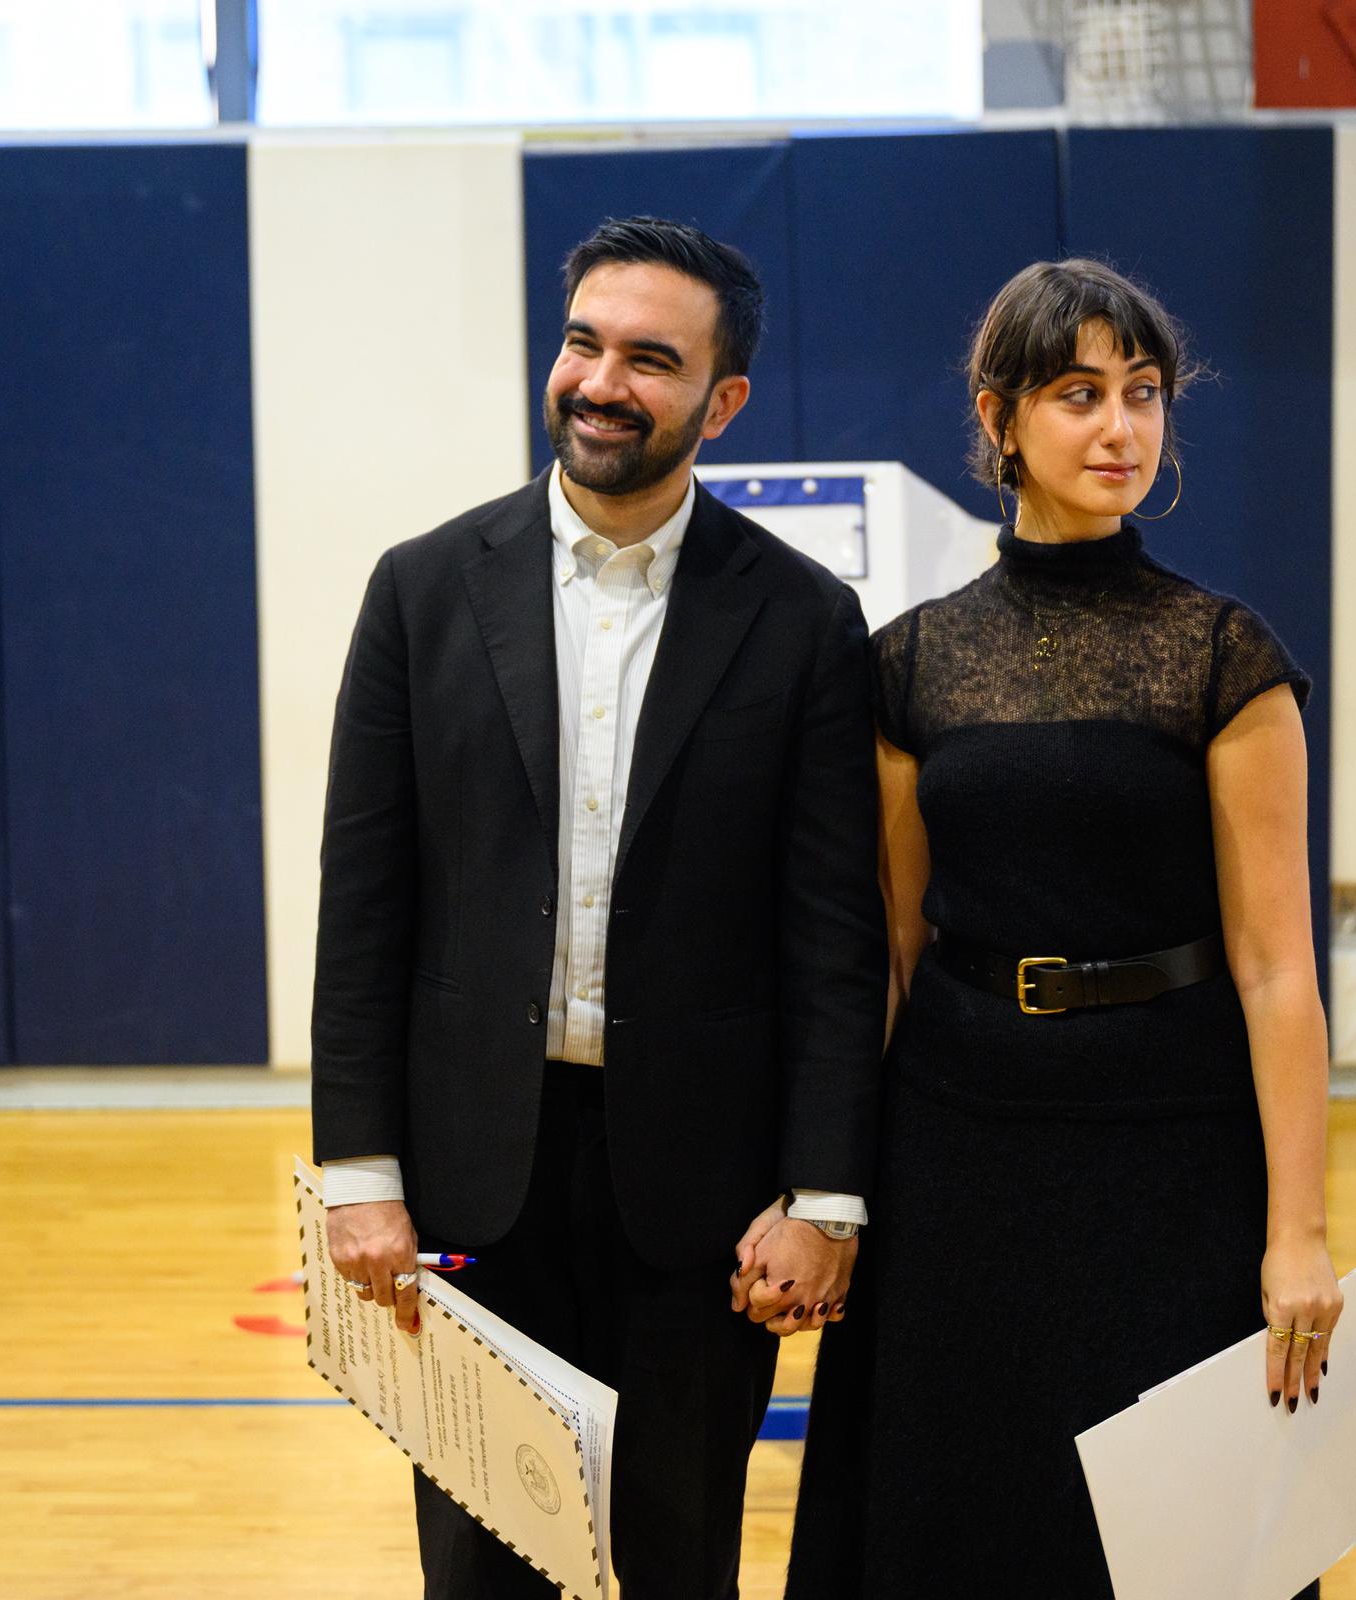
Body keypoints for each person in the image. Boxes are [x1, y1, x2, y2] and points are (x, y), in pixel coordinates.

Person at [310, 215, 885, 1600]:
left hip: (700, 1199)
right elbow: (365, 904)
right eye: (582, 343)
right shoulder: (422, 589)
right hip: (472, 1183)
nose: (601, 381)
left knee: (676, 1563)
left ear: (722, 400)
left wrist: (827, 1193)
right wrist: (359, 1172)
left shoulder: (804, 619)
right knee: (480, 1571)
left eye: (650, 358)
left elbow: (832, 936)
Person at [784, 259, 1341, 1599]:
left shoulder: (1227, 656)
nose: (1121, 431)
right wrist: (835, 1195)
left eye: (1142, 396)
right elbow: (893, 952)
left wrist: (1299, 1231)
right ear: (1001, 419)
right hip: (959, 1147)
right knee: (957, 1514)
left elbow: (1276, 971)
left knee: (1178, 1538)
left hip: (1171, 1149)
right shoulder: (912, 661)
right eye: (1079, 395)